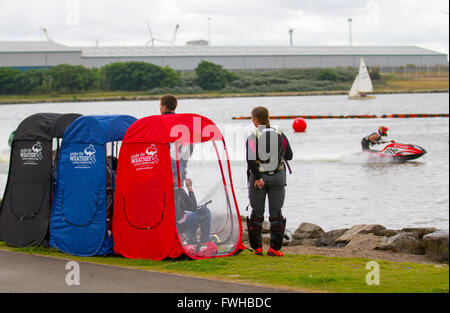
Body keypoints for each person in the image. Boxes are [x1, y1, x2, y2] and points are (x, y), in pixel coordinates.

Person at [246, 106, 293, 257]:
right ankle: (274, 248)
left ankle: (258, 248)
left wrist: (259, 178)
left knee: (257, 214)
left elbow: (250, 160)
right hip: (278, 177)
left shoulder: (253, 135)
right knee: (276, 213)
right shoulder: (280, 133)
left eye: (252, 118)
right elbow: (290, 155)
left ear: (256, 120)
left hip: (258, 177)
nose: (252, 121)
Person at [173, 161, 214, 254]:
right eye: (179, 175)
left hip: (169, 225)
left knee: (189, 216)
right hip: (179, 226)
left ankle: (192, 240)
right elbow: (193, 207)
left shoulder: (161, 190)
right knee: (205, 212)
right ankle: (204, 243)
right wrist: (190, 188)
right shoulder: (178, 191)